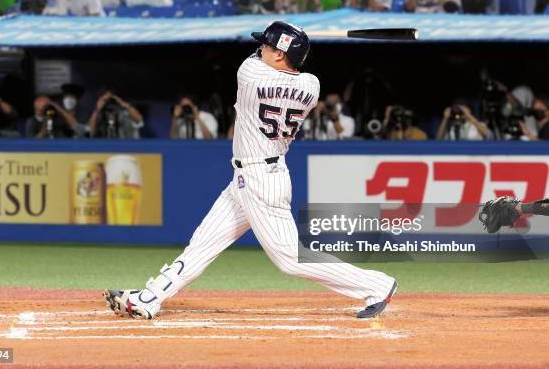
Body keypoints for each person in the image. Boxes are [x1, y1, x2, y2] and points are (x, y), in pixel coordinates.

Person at [105, 21, 398, 321]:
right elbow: (285, 64)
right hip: (253, 177)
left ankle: (377, 284)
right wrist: (289, 43)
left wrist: (286, 41)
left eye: (268, 46)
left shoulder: (249, 74)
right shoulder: (312, 86)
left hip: (261, 182)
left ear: (281, 54)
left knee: (290, 259)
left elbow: (256, 57)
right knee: (202, 244)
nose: (261, 48)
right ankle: (151, 297)